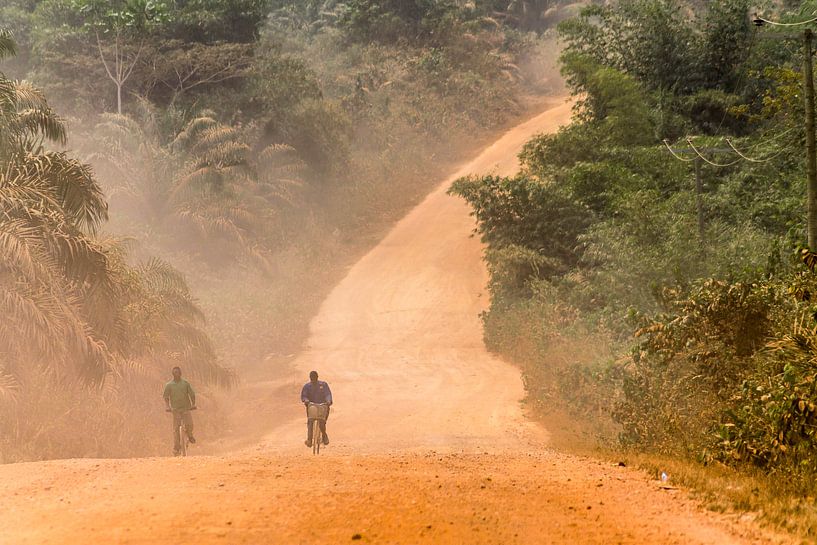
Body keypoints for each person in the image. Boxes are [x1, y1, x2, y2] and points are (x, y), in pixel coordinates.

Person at [163, 366, 196, 456]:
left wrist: (193, 404)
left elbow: (192, 394)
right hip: (175, 410)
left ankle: (189, 435)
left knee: (190, 424)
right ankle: (176, 448)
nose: (176, 374)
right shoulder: (169, 385)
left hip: (186, 408)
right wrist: (167, 406)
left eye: (177, 372)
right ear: (172, 374)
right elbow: (166, 397)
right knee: (176, 430)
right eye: (174, 373)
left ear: (180, 373)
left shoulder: (185, 383)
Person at [301, 370, 332, 447]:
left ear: (317, 377)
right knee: (310, 422)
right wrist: (306, 400)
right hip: (312, 407)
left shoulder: (323, 385)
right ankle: (309, 440)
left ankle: (324, 436)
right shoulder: (307, 386)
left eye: (314, 378)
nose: (313, 379)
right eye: (312, 378)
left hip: (323, 407)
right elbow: (304, 396)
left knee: (322, 422)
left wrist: (328, 401)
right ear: (310, 378)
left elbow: (328, 394)